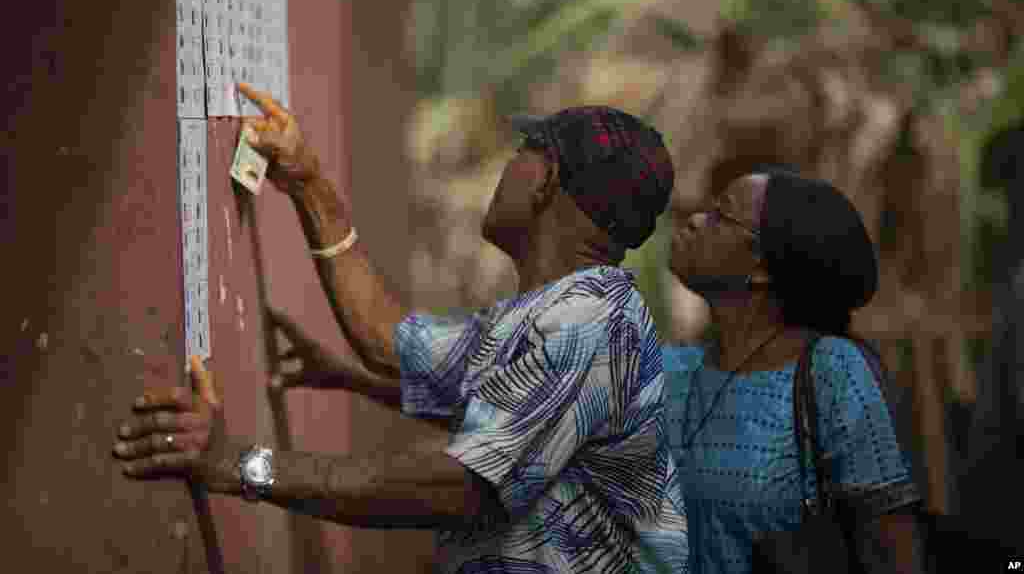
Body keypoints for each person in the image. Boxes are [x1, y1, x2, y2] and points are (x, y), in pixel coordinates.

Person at [112, 85, 688, 573]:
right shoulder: (555, 311)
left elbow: (455, 486)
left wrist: (236, 464)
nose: (507, 168)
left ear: (545, 181)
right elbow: (393, 345)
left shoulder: (590, 324)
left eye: (523, 151)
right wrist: (310, 185)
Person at [661, 169, 925, 574]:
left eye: (721, 215)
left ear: (763, 267)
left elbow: (893, 550)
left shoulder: (833, 371)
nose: (696, 219)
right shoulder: (674, 370)